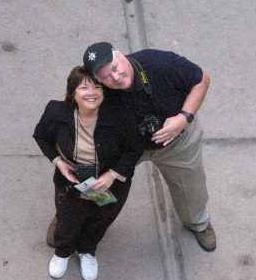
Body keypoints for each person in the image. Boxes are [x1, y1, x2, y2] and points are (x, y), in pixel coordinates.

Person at [81, 41, 216, 252]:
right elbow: (66, 112)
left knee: (190, 187)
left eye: (115, 68)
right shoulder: (92, 90)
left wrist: (184, 117)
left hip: (176, 140)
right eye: (106, 77)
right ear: (96, 80)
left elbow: (201, 79)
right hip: (125, 149)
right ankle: (73, 221)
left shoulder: (159, 63)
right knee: (92, 181)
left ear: (123, 56)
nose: (115, 78)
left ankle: (198, 223)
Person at [33, 66, 143, 280]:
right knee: (68, 218)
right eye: (84, 87)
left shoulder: (120, 116)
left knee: (100, 219)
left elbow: (134, 149)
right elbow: (41, 136)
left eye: (97, 87)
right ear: (72, 93)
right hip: (72, 182)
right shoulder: (56, 112)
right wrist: (58, 162)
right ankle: (63, 252)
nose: (91, 92)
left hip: (111, 184)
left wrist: (112, 174)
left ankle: (87, 251)